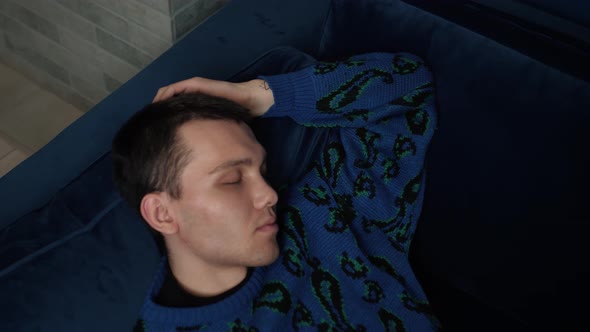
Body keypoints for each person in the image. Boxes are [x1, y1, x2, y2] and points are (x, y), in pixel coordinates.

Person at [112, 52, 439, 331]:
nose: (268, 194)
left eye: (262, 170)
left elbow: (411, 82)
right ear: (162, 213)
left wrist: (263, 95)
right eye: (232, 180)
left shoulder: (320, 213)